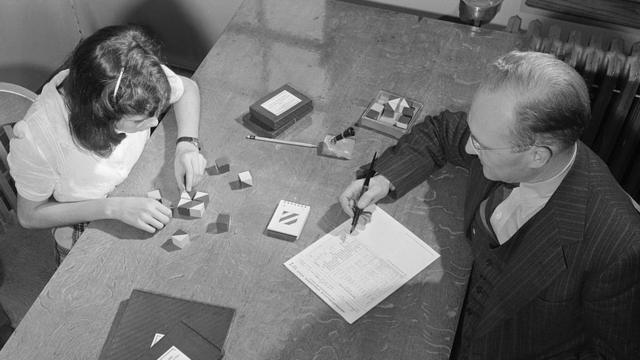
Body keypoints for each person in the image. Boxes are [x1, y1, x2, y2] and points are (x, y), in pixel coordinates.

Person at [339, 51, 640, 359]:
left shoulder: (620, 247)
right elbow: (444, 129)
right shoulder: (504, 136)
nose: (471, 145)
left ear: (537, 155)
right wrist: (385, 177)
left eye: (482, 144)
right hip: (454, 307)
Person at [8, 25, 207, 262]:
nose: (154, 122)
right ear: (101, 115)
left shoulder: (130, 74)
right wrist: (113, 208)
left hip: (134, 183)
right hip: (82, 221)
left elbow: (187, 89)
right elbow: (29, 216)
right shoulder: (38, 139)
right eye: (139, 121)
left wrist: (186, 144)